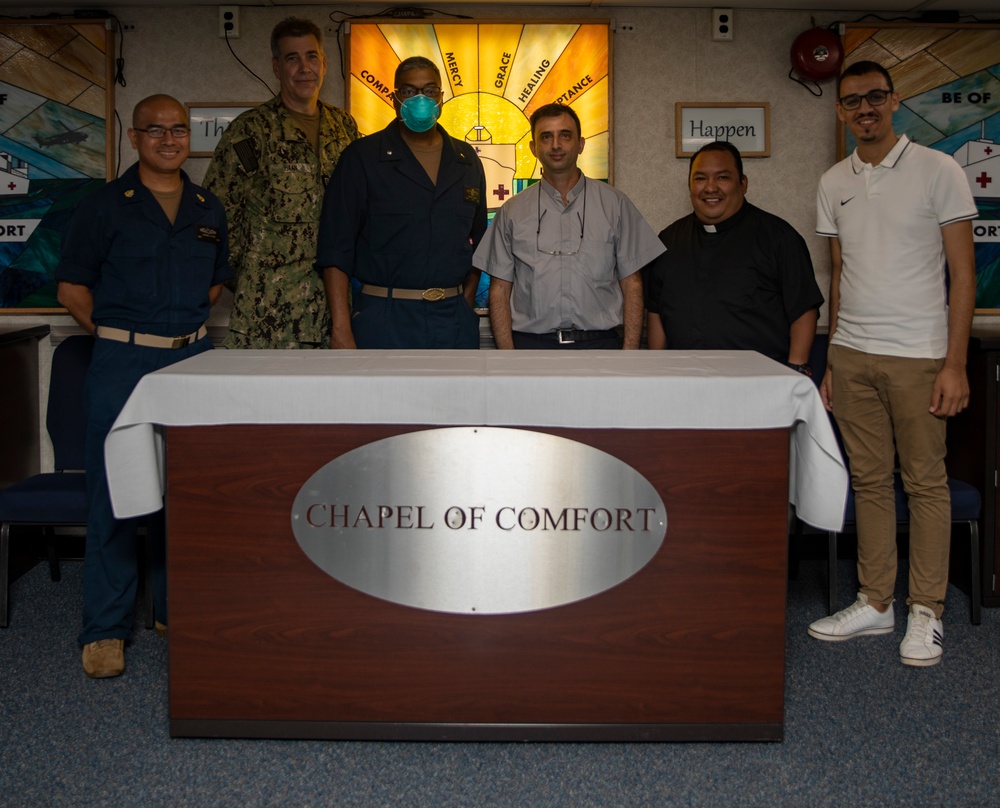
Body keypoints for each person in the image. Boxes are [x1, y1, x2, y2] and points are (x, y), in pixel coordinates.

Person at [808, 60, 978, 666]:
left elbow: (964, 276)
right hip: (852, 353)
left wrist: (954, 364)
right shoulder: (834, 181)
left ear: (895, 100)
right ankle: (877, 602)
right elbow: (839, 273)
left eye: (875, 97)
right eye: (852, 102)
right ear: (841, 112)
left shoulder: (940, 170)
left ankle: (926, 610)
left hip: (920, 356)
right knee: (870, 482)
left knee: (925, 484)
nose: (865, 109)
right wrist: (832, 357)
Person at [56, 95, 231, 678]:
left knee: (186, 493)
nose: (168, 139)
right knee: (114, 494)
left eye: (178, 129)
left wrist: (173, 337)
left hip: (191, 362)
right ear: (134, 138)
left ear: (188, 137)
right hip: (120, 364)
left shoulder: (209, 207)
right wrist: (119, 336)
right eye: (154, 130)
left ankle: (172, 608)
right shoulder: (104, 206)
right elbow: (72, 289)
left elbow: (213, 287)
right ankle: (105, 629)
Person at [204, 17, 358, 349]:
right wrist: (256, 282)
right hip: (268, 318)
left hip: (336, 316)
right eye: (292, 58)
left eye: (311, 56)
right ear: (276, 67)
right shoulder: (251, 131)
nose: (305, 68)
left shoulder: (344, 127)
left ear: (325, 62)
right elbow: (218, 216)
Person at [316, 56, 486, 349]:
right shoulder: (363, 157)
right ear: (394, 99)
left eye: (430, 90)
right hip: (384, 317)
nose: (421, 99)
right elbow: (335, 248)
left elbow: (481, 242)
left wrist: (465, 300)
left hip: (453, 319)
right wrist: (341, 328)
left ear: (441, 98)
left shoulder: (465, 159)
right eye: (409, 91)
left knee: (454, 396)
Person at [474, 103, 664, 350]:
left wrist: (629, 354)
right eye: (546, 137)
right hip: (531, 347)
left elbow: (633, 283)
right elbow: (499, 289)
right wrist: (508, 357)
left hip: (600, 346)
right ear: (533, 148)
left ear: (581, 144)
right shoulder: (512, 211)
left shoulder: (615, 204)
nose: (556, 145)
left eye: (565, 135)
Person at [644, 141, 823, 368]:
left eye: (722, 177)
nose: (710, 188)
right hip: (684, 379)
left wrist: (796, 369)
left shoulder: (779, 237)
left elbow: (804, 309)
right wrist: (657, 368)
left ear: (743, 183)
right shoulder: (669, 240)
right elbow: (656, 310)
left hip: (759, 380)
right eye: (700, 178)